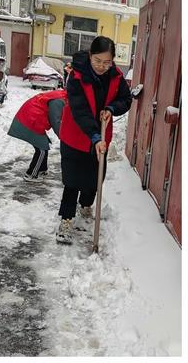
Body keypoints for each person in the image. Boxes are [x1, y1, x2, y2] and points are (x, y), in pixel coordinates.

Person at [56, 36, 132, 244]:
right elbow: (80, 110)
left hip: (101, 137)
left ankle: (86, 205)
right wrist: (95, 135)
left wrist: (111, 108)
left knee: (94, 178)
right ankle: (66, 219)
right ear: (90, 56)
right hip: (75, 135)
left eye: (107, 62)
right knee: (72, 181)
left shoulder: (115, 75)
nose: (102, 66)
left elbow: (126, 99)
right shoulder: (76, 75)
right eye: (98, 61)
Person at [8, 89, 67, 181]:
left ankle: (42, 170)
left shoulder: (63, 95)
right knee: (41, 150)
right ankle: (31, 174)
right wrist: (63, 137)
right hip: (31, 119)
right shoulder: (60, 101)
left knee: (44, 145)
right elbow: (55, 120)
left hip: (32, 117)